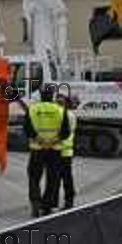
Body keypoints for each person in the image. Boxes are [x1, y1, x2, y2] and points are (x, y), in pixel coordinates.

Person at [23, 84, 70, 217]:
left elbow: (27, 130)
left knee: (34, 177)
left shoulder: (32, 109)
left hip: (37, 149)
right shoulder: (60, 110)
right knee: (53, 178)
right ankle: (47, 206)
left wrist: (41, 141)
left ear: (41, 95)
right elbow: (65, 132)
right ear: (52, 95)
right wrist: (52, 142)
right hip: (54, 150)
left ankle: (36, 204)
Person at [55, 95, 78, 210]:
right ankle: (69, 201)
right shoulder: (71, 115)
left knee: (56, 178)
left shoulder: (61, 115)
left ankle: (54, 202)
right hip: (67, 151)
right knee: (67, 177)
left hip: (57, 150)